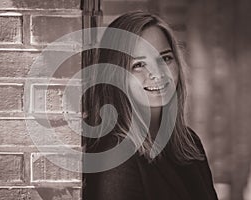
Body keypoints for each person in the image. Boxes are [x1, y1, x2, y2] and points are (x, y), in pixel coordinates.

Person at [82, 11, 218, 200]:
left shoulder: (189, 142)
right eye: (138, 65)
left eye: (166, 58)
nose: (157, 73)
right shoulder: (115, 157)